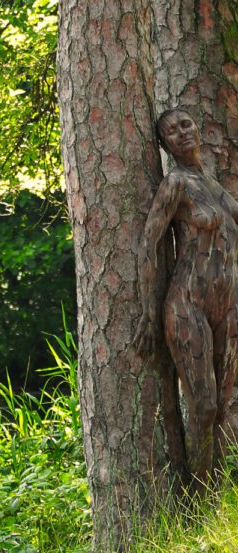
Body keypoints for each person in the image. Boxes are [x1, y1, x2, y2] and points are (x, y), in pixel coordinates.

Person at [134, 108, 238, 490]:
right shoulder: (175, 184)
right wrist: (148, 311)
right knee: (205, 406)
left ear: (198, 128)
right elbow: (148, 243)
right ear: (164, 145)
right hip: (187, 303)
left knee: (224, 407)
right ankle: (198, 502)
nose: (181, 133)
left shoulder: (212, 184)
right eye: (170, 132)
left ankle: (219, 498)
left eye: (186, 124)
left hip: (228, 306)